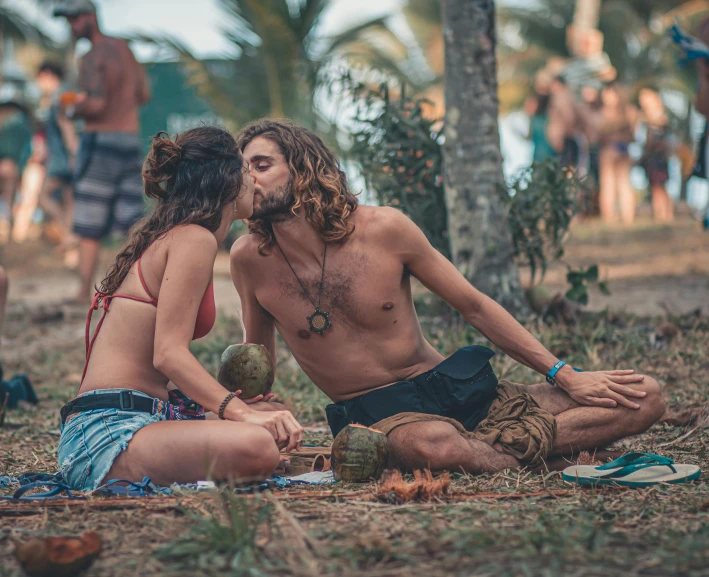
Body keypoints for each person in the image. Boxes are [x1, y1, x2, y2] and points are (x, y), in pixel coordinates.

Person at [230, 119, 665, 474]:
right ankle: (551, 456)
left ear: (303, 168)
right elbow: (257, 369)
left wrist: (564, 374)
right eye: (241, 169)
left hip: (453, 390)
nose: (247, 178)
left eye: (261, 165)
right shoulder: (249, 259)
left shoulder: (385, 229)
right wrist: (252, 413)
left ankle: (512, 458)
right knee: (434, 445)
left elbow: (474, 306)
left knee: (645, 395)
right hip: (381, 417)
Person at [57, 127, 303, 491]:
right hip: (107, 433)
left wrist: (242, 409)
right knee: (257, 444)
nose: (252, 178)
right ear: (227, 180)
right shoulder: (194, 239)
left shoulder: (186, 236)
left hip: (148, 415)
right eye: (245, 167)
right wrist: (240, 414)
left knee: (271, 417)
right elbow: (168, 355)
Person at [54, 0, 152, 303]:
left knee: (89, 223)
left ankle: (83, 293)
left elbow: (95, 104)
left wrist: (70, 108)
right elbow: (144, 94)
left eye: (74, 18)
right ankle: (142, 290)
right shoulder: (125, 49)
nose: (71, 26)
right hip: (129, 139)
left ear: (90, 16)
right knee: (132, 223)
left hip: (101, 142)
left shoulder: (91, 57)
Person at [36, 61, 78, 249]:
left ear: (47, 74)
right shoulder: (67, 94)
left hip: (62, 159)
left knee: (43, 198)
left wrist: (73, 152)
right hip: (66, 157)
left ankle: (68, 234)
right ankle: (70, 241)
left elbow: (67, 125)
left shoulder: (60, 96)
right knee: (69, 199)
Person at [597, 83, 637, 226]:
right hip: (623, 150)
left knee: (611, 185)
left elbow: (598, 134)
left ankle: (611, 217)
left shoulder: (606, 113)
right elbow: (633, 135)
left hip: (610, 151)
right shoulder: (630, 112)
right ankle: (626, 217)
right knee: (621, 184)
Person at [638, 88, 673, 224]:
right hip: (651, 158)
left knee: (659, 186)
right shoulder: (646, 118)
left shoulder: (659, 117)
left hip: (658, 158)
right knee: (655, 186)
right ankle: (661, 213)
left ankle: (664, 214)